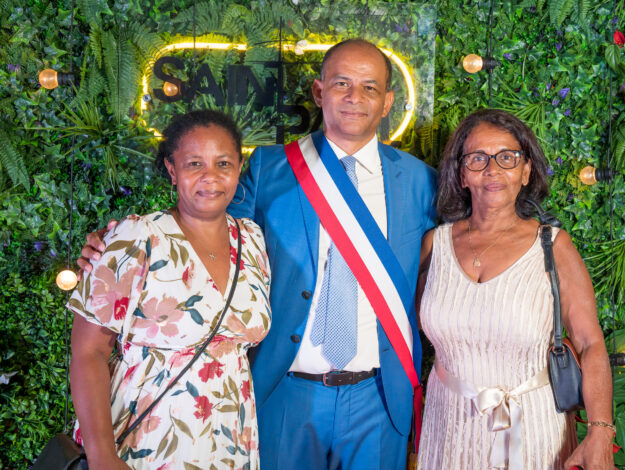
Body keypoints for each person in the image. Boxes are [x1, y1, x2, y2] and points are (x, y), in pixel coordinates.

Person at [78, 39, 436, 470]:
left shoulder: (421, 181)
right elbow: (207, 228)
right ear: (319, 91)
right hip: (284, 391)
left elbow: (457, 249)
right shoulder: (270, 168)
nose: (354, 97)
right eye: (341, 83)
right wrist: (112, 248)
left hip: (377, 398)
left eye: (370, 87)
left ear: (388, 102)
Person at [69, 110, 271, 469]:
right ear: (172, 170)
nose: (210, 176)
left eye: (223, 163)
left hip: (231, 442)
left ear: (239, 168)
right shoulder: (137, 237)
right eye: (194, 163)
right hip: (146, 442)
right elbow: (88, 353)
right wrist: (102, 458)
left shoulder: (252, 240)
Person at [415, 108, 614, 469]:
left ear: (526, 171)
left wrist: (600, 432)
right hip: (448, 429)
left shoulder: (553, 246)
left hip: (535, 430)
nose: (492, 169)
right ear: (462, 174)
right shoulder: (434, 245)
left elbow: (590, 343)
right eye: (478, 158)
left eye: (507, 157)